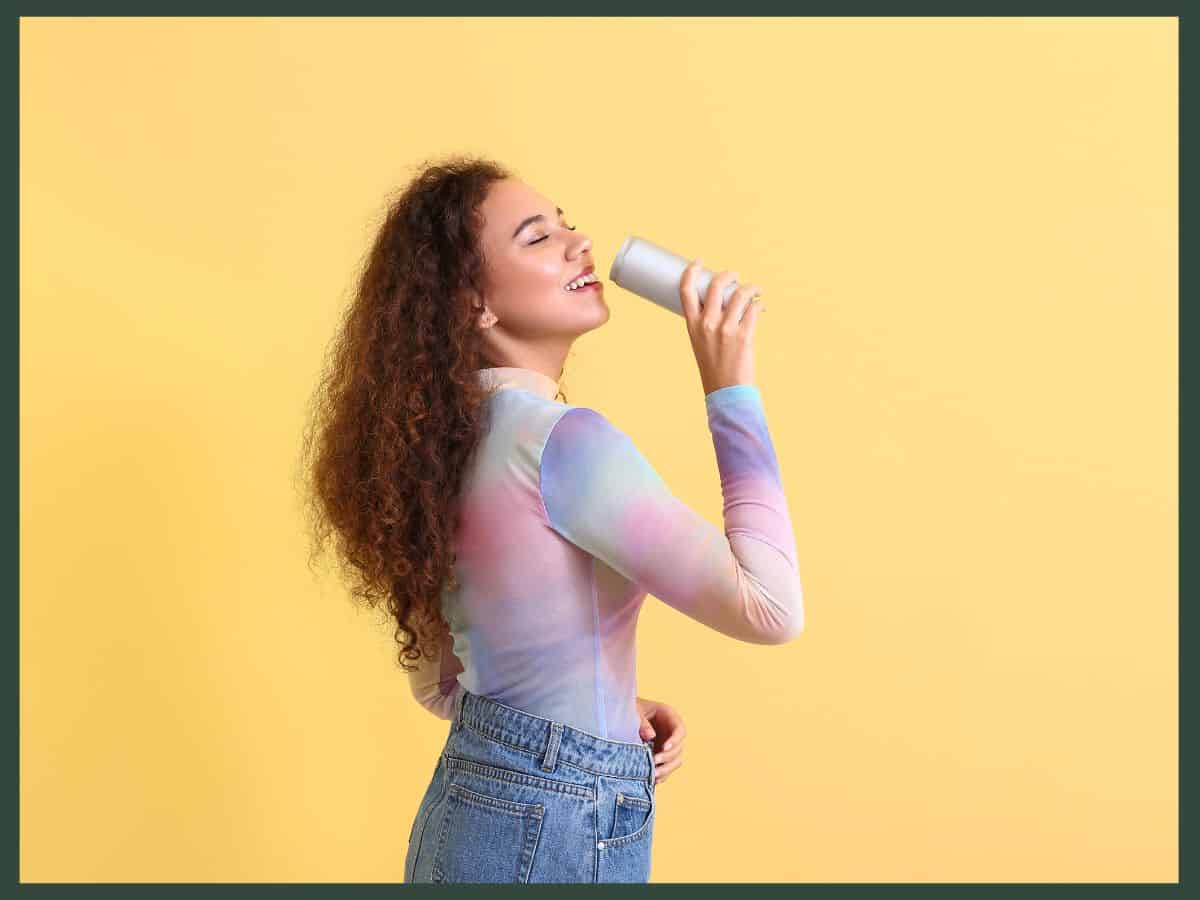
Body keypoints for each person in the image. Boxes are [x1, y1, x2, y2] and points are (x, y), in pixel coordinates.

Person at [299, 155, 803, 884]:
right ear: (474, 302)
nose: (579, 243)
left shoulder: (437, 452)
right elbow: (770, 606)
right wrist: (731, 390)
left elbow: (446, 684)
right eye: (537, 238)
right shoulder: (564, 442)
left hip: (465, 811)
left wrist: (601, 705)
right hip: (553, 827)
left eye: (567, 224)